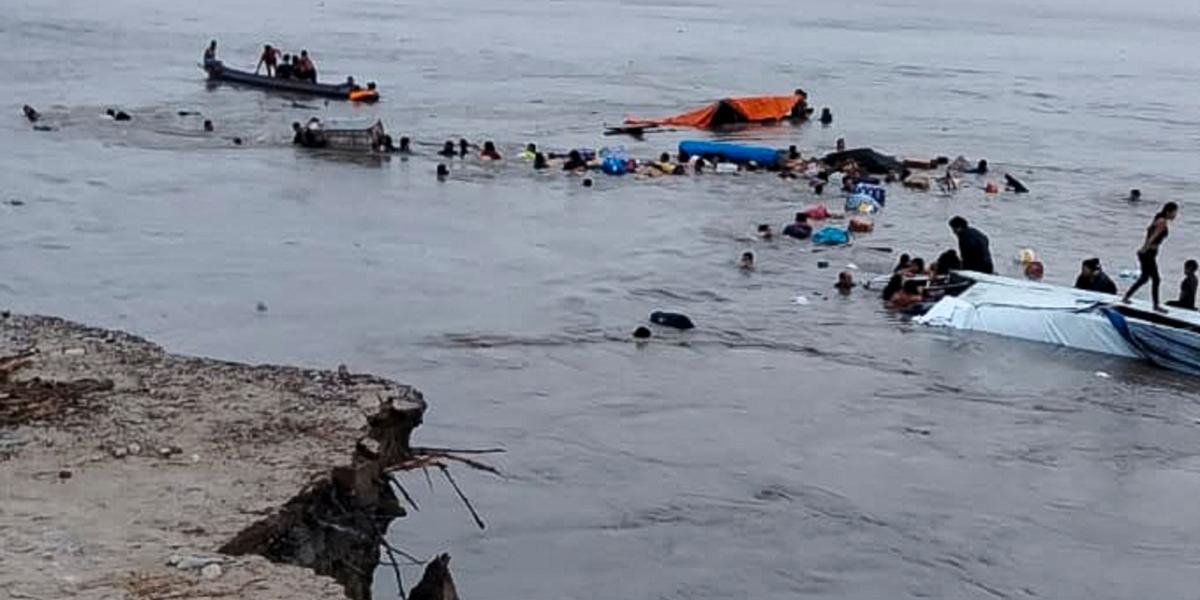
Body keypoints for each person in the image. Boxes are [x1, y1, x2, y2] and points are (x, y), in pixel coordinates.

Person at [1122, 202, 1179, 312]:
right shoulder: (1162, 222)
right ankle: (1156, 305)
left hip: (1149, 253)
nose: (1175, 215)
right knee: (1156, 279)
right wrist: (1144, 249)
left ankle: (1126, 297)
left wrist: (1143, 249)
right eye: (1174, 212)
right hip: (1148, 253)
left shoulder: (1159, 219)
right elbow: (1153, 237)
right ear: (1168, 211)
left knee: (1144, 278)